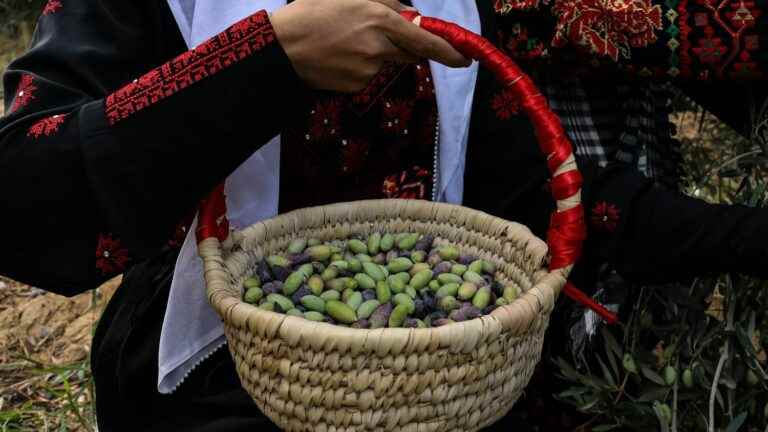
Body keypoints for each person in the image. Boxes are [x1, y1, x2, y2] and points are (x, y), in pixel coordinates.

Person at [0, 0, 766, 430]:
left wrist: (745, 237)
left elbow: (533, 196)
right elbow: (24, 195)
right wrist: (268, 60)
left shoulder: (448, 5)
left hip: (437, 386)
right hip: (219, 389)